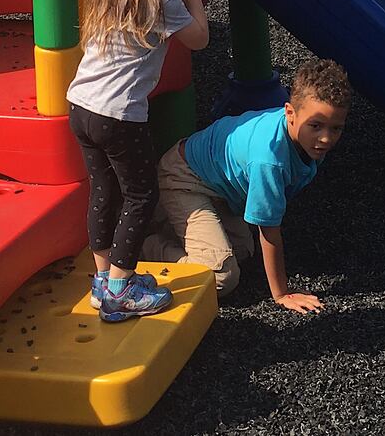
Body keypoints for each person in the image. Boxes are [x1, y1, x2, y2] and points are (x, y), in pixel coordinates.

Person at [66, 0, 210, 322]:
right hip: (118, 115)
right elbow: (200, 38)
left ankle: (103, 280)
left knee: (104, 190)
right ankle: (122, 288)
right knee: (142, 195)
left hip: (81, 105)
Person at [142, 59, 351, 314]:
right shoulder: (269, 159)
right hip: (184, 179)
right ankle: (148, 245)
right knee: (222, 276)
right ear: (290, 113)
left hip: (218, 188)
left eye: (336, 128)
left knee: (242, 250)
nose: (326, 138)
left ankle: (173, 225)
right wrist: (282, 294)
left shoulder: (304, 137)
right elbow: (269, 232)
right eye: (316, 126)